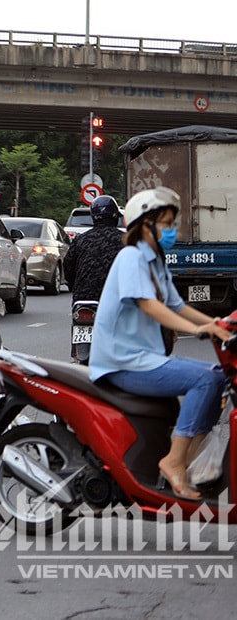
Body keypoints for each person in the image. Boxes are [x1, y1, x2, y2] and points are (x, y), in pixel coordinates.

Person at [89, 186, 229, 500]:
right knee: (204, 379)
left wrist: (217, 324)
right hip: (122, 362)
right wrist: (204, 330)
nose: (171, 230)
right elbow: (149, 305)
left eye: (171, 223)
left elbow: (177, 305)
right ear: (144, 225)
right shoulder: (131, 257)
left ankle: (192, 457)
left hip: (145, 358)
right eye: (165, 224)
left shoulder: (154, 262)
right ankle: (173, 461)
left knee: (220, 376)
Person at [64, 195, 123, 303]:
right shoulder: (126, 240)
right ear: (115, 216)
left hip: (84, 298)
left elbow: (68, 266)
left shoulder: (81, 239)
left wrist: (77, 285)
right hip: (117, 298)